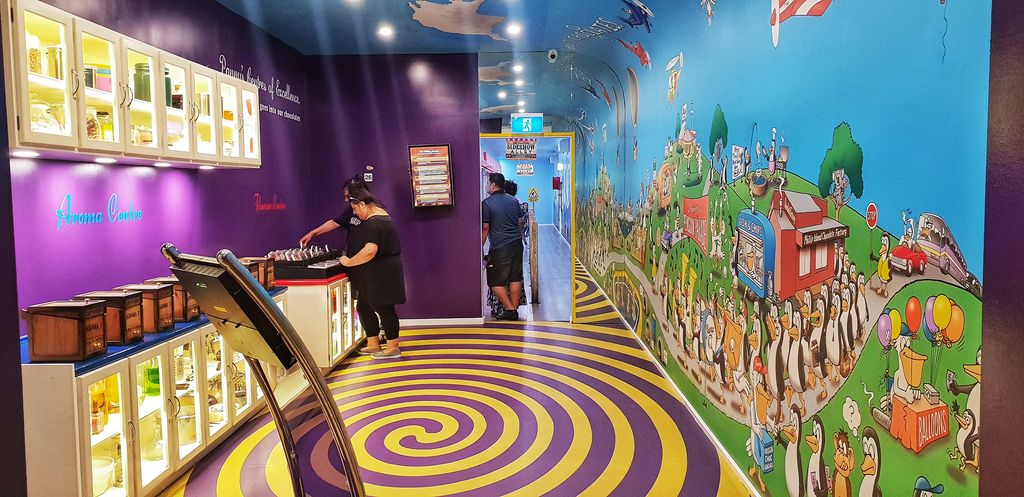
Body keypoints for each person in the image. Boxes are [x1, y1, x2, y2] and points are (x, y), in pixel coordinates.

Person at [340, 185, 406, 359]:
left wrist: (349, 262)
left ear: (362, 204)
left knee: (384, 308)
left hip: (382, 273)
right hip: (381, 271)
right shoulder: (384, 218)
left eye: (355, 209)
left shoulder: (373, 223)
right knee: (363, 306)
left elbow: (370, 250)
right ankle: (373, 344)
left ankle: (392, 348)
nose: (355, 213)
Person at [482, 172, 524, 320]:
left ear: (493, 184)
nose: (487, 185)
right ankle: (513, 310)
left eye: (488, 183)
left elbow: (485, 228)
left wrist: (479, 246)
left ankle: (510, 308)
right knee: (515, 277)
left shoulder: (487, 203)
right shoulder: (513, 200)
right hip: (517, 244)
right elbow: (519, 222)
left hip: (500, 247)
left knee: (494, 281)